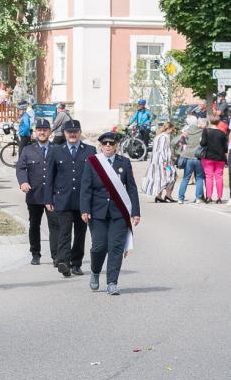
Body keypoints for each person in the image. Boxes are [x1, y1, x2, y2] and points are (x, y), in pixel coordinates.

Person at [81, 131, 141, 295]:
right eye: (105, 143)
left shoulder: (124, 162)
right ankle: (95, 271)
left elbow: (131, 188)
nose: (108, 146)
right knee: (99, 246)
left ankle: (112, 282)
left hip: (119, 212)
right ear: (100, 145)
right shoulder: (93, 162)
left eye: (111, 143)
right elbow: (85, 187)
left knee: (116, 247)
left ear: (116, 146)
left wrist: (135, 211)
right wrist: (85, 209)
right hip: (97, 211)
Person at [44, 120, 94, 277]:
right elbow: (49, 177)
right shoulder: (55, 151)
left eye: (75, 132)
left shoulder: (90, 151)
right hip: (63, 199)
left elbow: (95, 177)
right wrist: (48, 199)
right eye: (69, 132)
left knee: (80, 233)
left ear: (80, 132)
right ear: (64, 134)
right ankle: (64, 262)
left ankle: (76, 263)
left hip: (83, 201)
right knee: (64, 232)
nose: (72, 134)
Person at [16, 118, 53, 265]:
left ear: (49, 132)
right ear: (35, 132)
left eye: (44, 130)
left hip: (52, 195)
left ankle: (56, 255)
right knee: (34, 225)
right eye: (39, 130)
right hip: (34, 194)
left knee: (55, 226)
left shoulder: (57, 149)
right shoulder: (27, 150)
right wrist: (23, 182)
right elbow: (21, 168)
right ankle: (35, 253)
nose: (42, 132)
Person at [141, 121, 177, 203]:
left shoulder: (158, 136)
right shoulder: (165, 136)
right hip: (163, 162)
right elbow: (163, 150)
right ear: (169, 128)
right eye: (172, 129)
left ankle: (159, 196)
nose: (172, 131)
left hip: (156, 161)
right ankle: (168, 195)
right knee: (171, 175)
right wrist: (166, 161)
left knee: (160, 177)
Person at [198, 115, 229, 203]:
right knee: (219, 177)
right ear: (218, 122)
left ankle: (209, 197)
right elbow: (225, 149)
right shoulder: (222, 133)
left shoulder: (206, 131)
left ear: (210, 122)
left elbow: (203, 144)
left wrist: (201, 140)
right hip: (220, 158)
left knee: (209, 177)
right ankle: (219, 198)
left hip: (208, 157)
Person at [176, 115, 205, 203]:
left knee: (185, 178)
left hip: (188, 157)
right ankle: (198, 198)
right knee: (199, 178)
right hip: (198, 157)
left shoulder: (187, 131)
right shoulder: (203, 131)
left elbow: (179, 141)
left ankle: (180, 198)